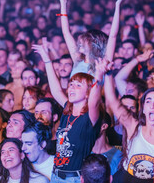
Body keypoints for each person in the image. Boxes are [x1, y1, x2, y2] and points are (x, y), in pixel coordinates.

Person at [34, 38, 103, 183]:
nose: (71, 87)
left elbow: (95, 101)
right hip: (56, 175)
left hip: (75, 178)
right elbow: (56, 89)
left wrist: (99, 77)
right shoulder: (67, 113)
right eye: (71, 84)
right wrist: (47, 60)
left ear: (87, 93)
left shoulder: (89, 118)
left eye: (78, 85)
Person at [104, 60, 154, 183]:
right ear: (143, 108)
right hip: (126, 179)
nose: (152, 106)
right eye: (148, 101)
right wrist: (107, 74)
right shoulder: (133, 125)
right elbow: (113, 102)